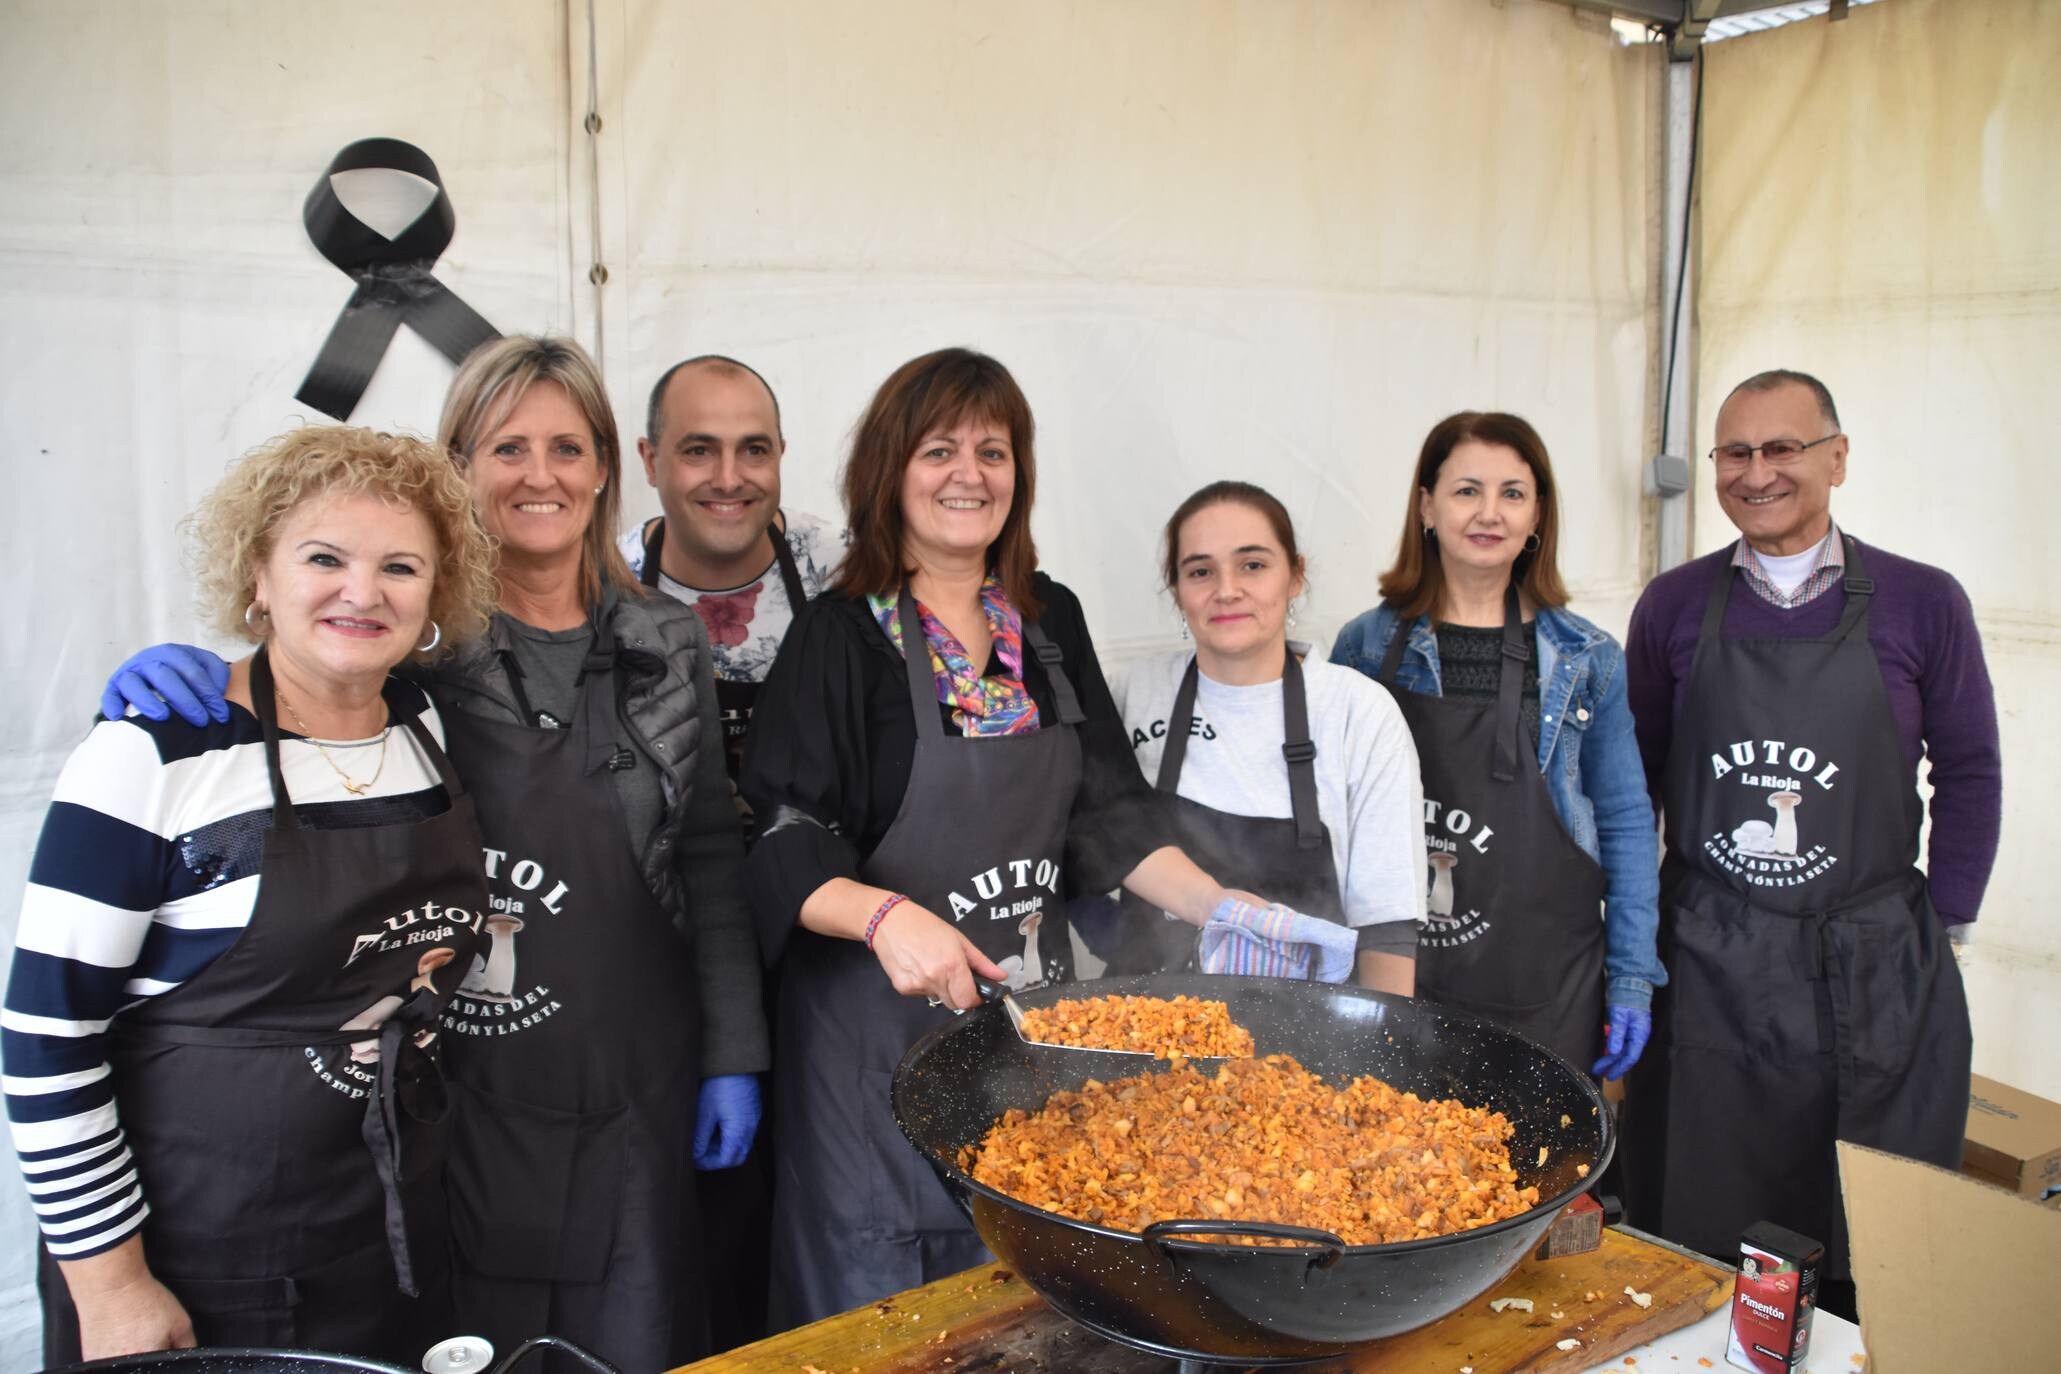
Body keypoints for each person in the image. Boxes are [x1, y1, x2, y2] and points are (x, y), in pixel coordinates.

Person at [96, 336, 770, 1370]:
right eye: (506, 448)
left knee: (639, 1330)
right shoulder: (413, 641)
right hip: (463, 1077)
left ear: (602, 468)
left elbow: (713, 858)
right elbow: (305, 680)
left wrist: (734, 1055)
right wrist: (204, 678)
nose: (538, 475)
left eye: (565, 447)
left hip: (641, 1066)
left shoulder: (669, 640)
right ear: (460, 469)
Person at [742, 347, 1320, 1327]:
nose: (969, 474)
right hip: (866, 1056)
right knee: (883, 1305)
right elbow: (781, 832)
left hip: (1022, 1038)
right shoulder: (839, 636)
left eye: (992, 450)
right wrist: (886, 919)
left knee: (1021, 1296)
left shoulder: (1047, 622)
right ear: (890, 469)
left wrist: (1219, 904)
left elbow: (1106, 814)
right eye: (939, 450)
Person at [9, 426, 499, 1363]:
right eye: (324, 558)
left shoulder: (422, 729)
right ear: (258, 576)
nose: (363, 591)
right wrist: (111, 1287)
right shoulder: (152, 752)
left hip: (379, 1231)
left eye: (400, 566)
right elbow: (45, 1039)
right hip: (195, 1255)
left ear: (435, 596)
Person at [1621, 369, 1994, 1309]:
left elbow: (1970, 769)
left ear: (1835, 457)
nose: (1757, 473)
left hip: (1870, 967)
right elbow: (1631, 783)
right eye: (1735, 453)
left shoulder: (1923, 602)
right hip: (1711, 965)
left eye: (1782, 448)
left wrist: (1937, 923)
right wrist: (1635, 940)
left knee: (1870, 1229)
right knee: (1703, 1229)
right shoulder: (1671, 606)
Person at [1330, 412, 1664, 1076]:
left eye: (1512, 492)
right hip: (1401, 974)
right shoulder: (1365, 647)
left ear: (1537, 512)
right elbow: (1330, 821)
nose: (1490, 512)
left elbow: (1626, 822)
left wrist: (1631, 977)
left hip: (1544, 985)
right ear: (1425, 506)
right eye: (1466, 491)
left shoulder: (1584, 657)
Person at [1104, 481, 1424, 990]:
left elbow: (1388, 925)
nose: (1226, 589)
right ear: (1177, 588)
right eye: (1201, 571)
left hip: (1306, 1035)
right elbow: (1089, 842)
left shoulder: (1356, 711)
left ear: (1295, 576)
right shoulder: (1132, 693)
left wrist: (1381, 1052)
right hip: (1145, 1023)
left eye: (1253, 565)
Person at [621, 355, 844, 795]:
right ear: (650, 460)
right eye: (699, 451)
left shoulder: (846, 568)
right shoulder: (605, 583)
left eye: (754, 450)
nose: (728, 479)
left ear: (781, 454)